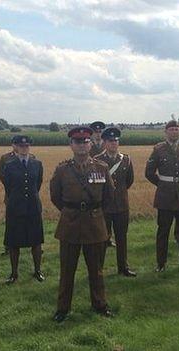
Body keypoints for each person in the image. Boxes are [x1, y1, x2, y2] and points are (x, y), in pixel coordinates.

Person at [49, 127, 115, 322]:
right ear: (71, 145)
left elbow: (109, 196)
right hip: (70, 224)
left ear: (91, 144)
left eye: (85, 141)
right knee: (67, 270)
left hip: (95, 225)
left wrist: (93, 211)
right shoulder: (62, 170)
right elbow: (55, 196)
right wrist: (71, 210)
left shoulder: (101, 167)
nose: (82, 145)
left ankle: (100, 305)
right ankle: (63, 309)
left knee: (96, 270)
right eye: (77, 142)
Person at [145, 120, 179, 272]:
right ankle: (161, 263)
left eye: (177, 129)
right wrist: (162, 184)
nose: (174, 132)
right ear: (166, 132)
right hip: (165, 197)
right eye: (171, 129)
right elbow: (149, 172)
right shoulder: (159, 149)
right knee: (163, 231)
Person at [3, 135, 45, 283]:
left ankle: (37, 271)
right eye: (21, 146)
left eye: (26, 146)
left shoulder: (37, 164)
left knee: (36, 241)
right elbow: (8, 186)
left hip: (33, 207)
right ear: (16, 147)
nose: (24, 148)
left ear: (29, 147)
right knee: (14, 242)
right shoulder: (9, 165)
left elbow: (38, 184)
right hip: (15, 207)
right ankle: (14, 273)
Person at [95, 127, 136, 277]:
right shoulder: (98, 160)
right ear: (105, 142)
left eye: (116, 141)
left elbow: (129, 181)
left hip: (121, 206)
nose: (114, 143)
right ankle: (98, 269)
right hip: (104, 207)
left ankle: (123, 267)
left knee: (121, 237)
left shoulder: (125, 159)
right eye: (110, 141)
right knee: (102, 239)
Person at [0, 137, 21, 256]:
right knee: (11, 222)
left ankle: (33, 244)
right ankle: (9, 246)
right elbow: (2, 176)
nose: (19, 146)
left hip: (28, 198)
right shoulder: (5, 158)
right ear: (12, 145)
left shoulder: (31, 157)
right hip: (11, 195)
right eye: (16, 144)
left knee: (29, 221)